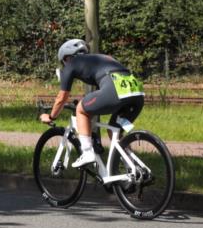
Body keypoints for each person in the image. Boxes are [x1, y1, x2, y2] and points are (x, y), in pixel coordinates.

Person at [39, 39, 144, 168]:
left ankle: (87, 152)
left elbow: (62, 97)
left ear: (66, 58)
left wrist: (51, 116)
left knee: (81, 109)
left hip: (115, 90)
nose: (65, 65)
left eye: (63, 62)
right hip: (137, 93)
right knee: (114, 130)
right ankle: (133, 169)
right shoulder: (100, 58)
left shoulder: (72, 63)